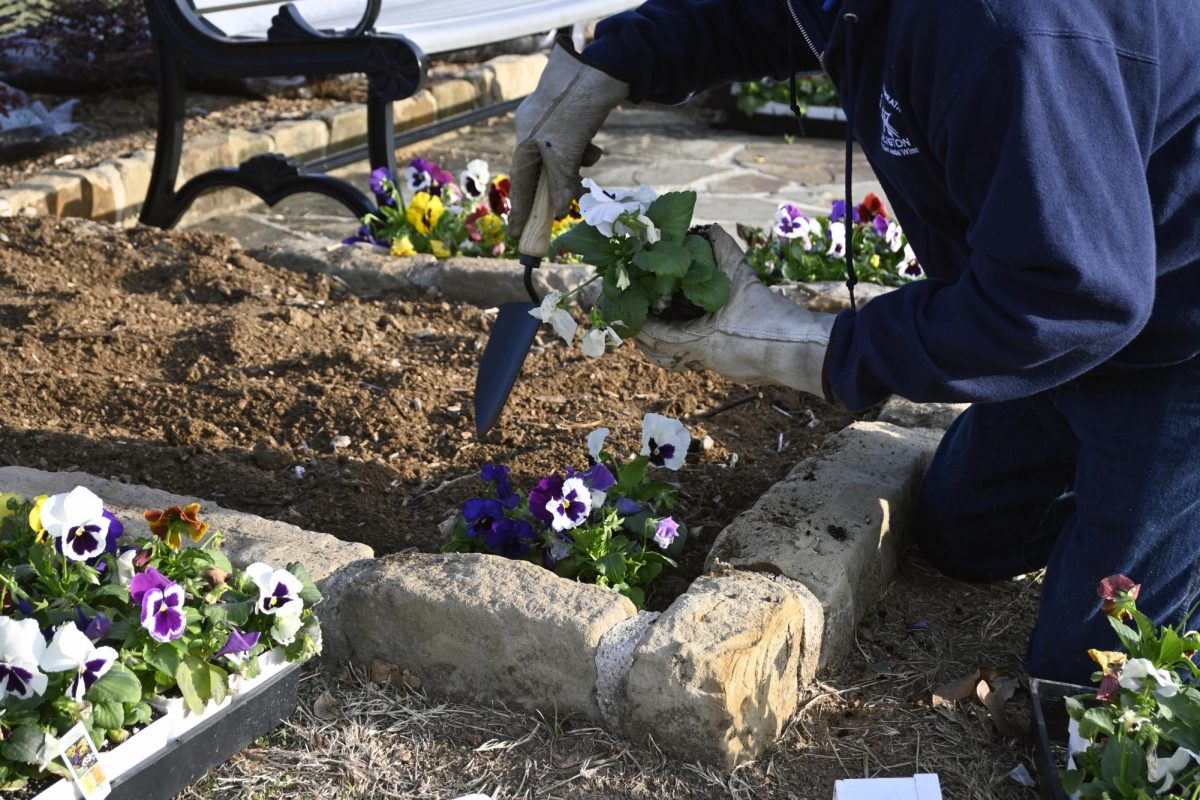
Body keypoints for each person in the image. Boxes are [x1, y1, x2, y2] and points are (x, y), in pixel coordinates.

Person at [506, 0, 1200, 685]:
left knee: (1090, 692)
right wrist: (612, 64)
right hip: (1077, 310)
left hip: (1176, 342)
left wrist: (813, 345)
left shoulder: (1008, 31)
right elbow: (777, 15)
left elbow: (1073, 294)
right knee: (962, 536)